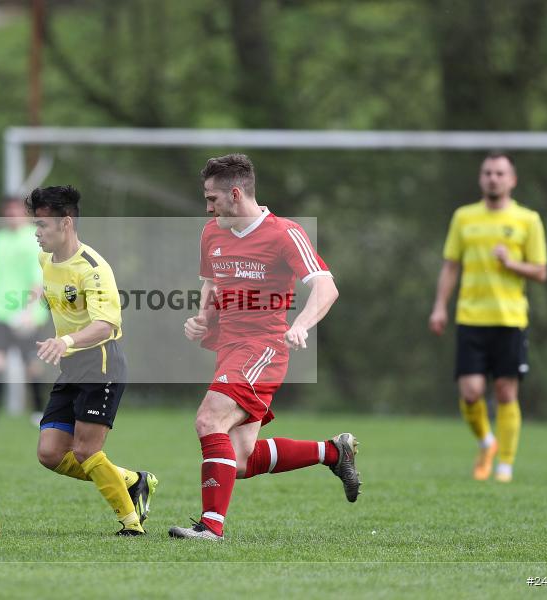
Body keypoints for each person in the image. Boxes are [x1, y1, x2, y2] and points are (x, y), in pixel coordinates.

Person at [169, 154, 360, 542]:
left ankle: (210, 527)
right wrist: (201, 318)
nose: (207, 207)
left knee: (209, 420)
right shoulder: (212, 232)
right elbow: (211, 284)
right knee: (239, 459)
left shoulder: (283, 233)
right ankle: (333, 453)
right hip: (229, 349)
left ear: (235, 194)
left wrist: (301, 324)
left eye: (212, 198)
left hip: (264, 349)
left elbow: (326, 286)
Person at [28, 185, 157, 536]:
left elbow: (106, 325)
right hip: (72, 366)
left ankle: (132, 522)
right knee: (50, 453)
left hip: (101, 363)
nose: (36, 233)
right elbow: (49, 286)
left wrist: (65, 339)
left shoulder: (94, 269)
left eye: (42, 225)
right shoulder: (45, 259)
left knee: (86, 451)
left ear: (66, 223)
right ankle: (133, 479)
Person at [429, 152, 547, 483]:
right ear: (481, 179)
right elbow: (451, 265)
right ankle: (486, 443)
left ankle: (505, 467)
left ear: (512, 180)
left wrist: (512, 264)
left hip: (510, 319)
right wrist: (440, 306)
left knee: (507, 393)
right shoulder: (464, 217)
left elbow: (541, 271)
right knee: (470, 392)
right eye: (487, 173)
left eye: (499, 173)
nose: (493, 178)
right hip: (471, 317)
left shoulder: (528, 219)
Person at [0, 197, 51, 423]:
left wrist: (29, 311)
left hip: (27, 312)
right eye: (8, 211)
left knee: (32, 363)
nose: (11, 215)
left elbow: (38, 279)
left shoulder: (35, 239)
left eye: (16, 211)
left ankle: (39, 411)